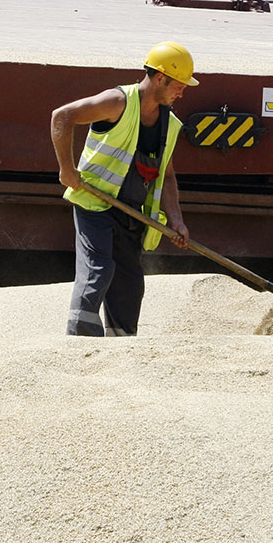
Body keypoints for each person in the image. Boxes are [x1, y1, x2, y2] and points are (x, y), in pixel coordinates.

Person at [50, 41, 197, 336]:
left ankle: (122, 349)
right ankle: (79, 343)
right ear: (159, 78)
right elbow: (61, 116)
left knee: (130, 284)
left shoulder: (170, 124)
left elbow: (166, 176)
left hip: (132, 213)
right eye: (178, 85)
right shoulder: (117, 102)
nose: (182, 92)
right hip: (95, 204)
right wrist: (67, 168)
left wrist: (177, 219)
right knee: (98, 271)